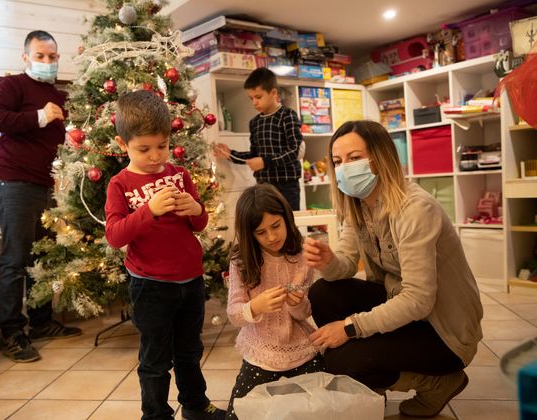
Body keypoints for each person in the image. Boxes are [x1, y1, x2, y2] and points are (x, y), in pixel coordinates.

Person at [302, 120, 483, 418]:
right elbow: (345, 266)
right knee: (322, 293)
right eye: (337, 161)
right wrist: (328, 262)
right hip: (406, 312)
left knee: (342, 359)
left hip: (443, 333)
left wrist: (350, 328)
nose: (344, 168)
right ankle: (371, 380)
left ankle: (437, 382)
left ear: (381, 157)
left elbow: (418, 299)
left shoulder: (415, 209)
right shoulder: (358, 205)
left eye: (354, 158)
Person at [104, 90, 226, 420]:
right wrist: (149, 210)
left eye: (162, 146)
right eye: (144, 149)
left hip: (191, 279)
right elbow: (115, 236)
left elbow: (199, 223)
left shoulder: (179, 175)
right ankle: (156, 414)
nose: (156, 155)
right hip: (151, 286)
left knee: (190, 350)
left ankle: (196, 405)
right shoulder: (120, 184)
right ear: (123, 144)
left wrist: (195, 208)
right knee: (156, 358)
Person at [0, 30, 81, 363]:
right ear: (26, 58)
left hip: (44, 186)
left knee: (43, 257)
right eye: (40, 56)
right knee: (15, 260)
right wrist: (39, 116)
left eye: (52, 57)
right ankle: (11, 333)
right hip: (13, 183)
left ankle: (40, 323)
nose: (47, 62)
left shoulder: (59, 95)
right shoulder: (11, 86)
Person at [225, 184, 324, 420]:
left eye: (276, 226)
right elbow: (234, 313)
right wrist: (256, 306)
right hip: (260, 354)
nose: (271, 237)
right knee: (236, 415)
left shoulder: (302, 257)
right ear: (250, 234)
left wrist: (296, 303)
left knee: (320, 409)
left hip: (301, 350)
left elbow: (304, 313)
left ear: (287, 219)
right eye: (261, 232)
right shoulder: (241, 261)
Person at [214, 67, 303, 210]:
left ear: (273, 93)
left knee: (289, 224)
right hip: (262, 187)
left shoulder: (287, 116)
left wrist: (265, 162)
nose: (254, 102)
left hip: (286, 185)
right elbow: (254, 155)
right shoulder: (255, 122)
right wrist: (230, 154)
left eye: (258, 97)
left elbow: (294, 151)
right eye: (251, 98)